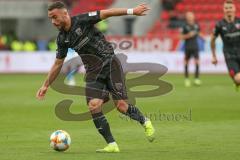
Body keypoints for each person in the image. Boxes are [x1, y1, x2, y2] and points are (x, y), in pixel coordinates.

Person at [36, 1, 155, 153]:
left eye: (54, 17)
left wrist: (132, 11)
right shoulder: (62, 39)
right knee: (93, 105)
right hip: (93, 71)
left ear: (65, 13)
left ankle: (145, 121)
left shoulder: (82, 20)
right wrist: (46, 85)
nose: (53, 22)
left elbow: (107, 13)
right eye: (50, 18)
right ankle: (112, 144)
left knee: (121, 106)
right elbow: (58, 64)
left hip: (110, 63)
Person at [211, 0, 240, 90]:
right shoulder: (219, 25)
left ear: (234, 9)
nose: (228, 10)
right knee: (238, 79)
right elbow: (212, 40)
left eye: (230, 8)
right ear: (223, 10)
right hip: (229, 55)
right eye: (226, 8)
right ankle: (236, 81)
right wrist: (214, 56)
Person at [180, 11, 203, 87]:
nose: (190, 17)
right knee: (186, 62)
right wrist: (189, 35)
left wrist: (202, 36)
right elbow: (181, 37)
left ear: (193, 16)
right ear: (186, 17)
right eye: (188, 16)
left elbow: (200, 33)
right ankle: (186, 79)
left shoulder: (197, 25)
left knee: (197, 62)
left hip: (195, 46)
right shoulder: (184, 26)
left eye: (191, 15)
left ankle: (196, 79)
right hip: (187, 47)